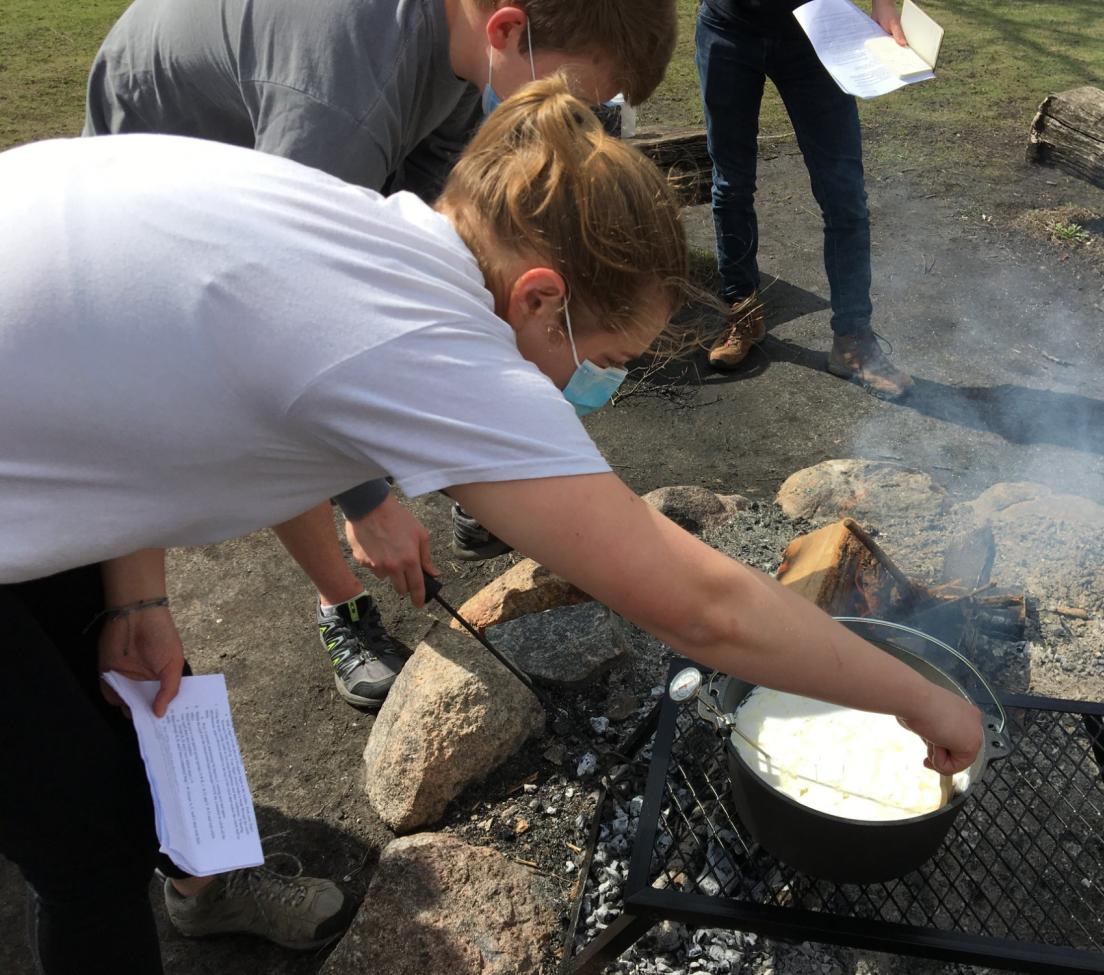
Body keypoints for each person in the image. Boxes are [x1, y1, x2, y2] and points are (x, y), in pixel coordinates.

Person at [0, 79, 983, 975]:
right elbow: (703, 610)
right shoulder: (435, 344)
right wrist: (916, 699)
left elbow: (122, 373)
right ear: (541, 298)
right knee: (90, 849)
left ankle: (188, 870)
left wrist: (134, 595)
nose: (596, 387)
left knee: (101, 761)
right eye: (606, 359)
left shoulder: (371, 227)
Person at [84, 0, 679, 708]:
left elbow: (425, 266)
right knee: (286, 402)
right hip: (160, 193)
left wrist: (476, 454)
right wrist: (366, 502)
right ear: (508, 31)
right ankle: (340, 601)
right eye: (573, 93)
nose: (570, 119)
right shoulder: (343, 107)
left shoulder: (463, 63)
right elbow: (284, 332)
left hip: (265, 217)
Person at [695, 0, 914, 399]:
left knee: (844, 194)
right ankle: (742, 312)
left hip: (818, 29)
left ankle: (853, 340)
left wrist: (883, 4)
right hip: (728, 26)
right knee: (731, 184)